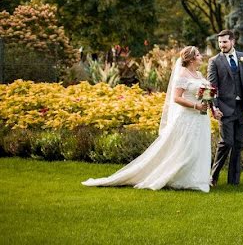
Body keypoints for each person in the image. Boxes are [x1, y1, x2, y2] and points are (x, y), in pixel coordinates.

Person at [82, 46, 212, 192]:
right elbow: (176, 98)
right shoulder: (183, 74)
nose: (201, 57)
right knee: (185, 149)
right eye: (198, 55)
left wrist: (210, 104)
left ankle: (196, 178)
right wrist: (196, 106)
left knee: (197, 148)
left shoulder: (199, 74)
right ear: (191, 59)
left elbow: (205, 94)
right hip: (187, 117)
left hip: (200, 118)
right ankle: (179, 178)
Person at [208, 29, 243, 187]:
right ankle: (213, 176)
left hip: (242, 107)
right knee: (226, 142)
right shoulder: (214, 61)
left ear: (232, 42)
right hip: (225, 107)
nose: (222, 45)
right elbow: (212, 86)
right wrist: (214, 107)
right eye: (220, 42)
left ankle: (234, 181)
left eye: (225, 42)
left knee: (238, 143)